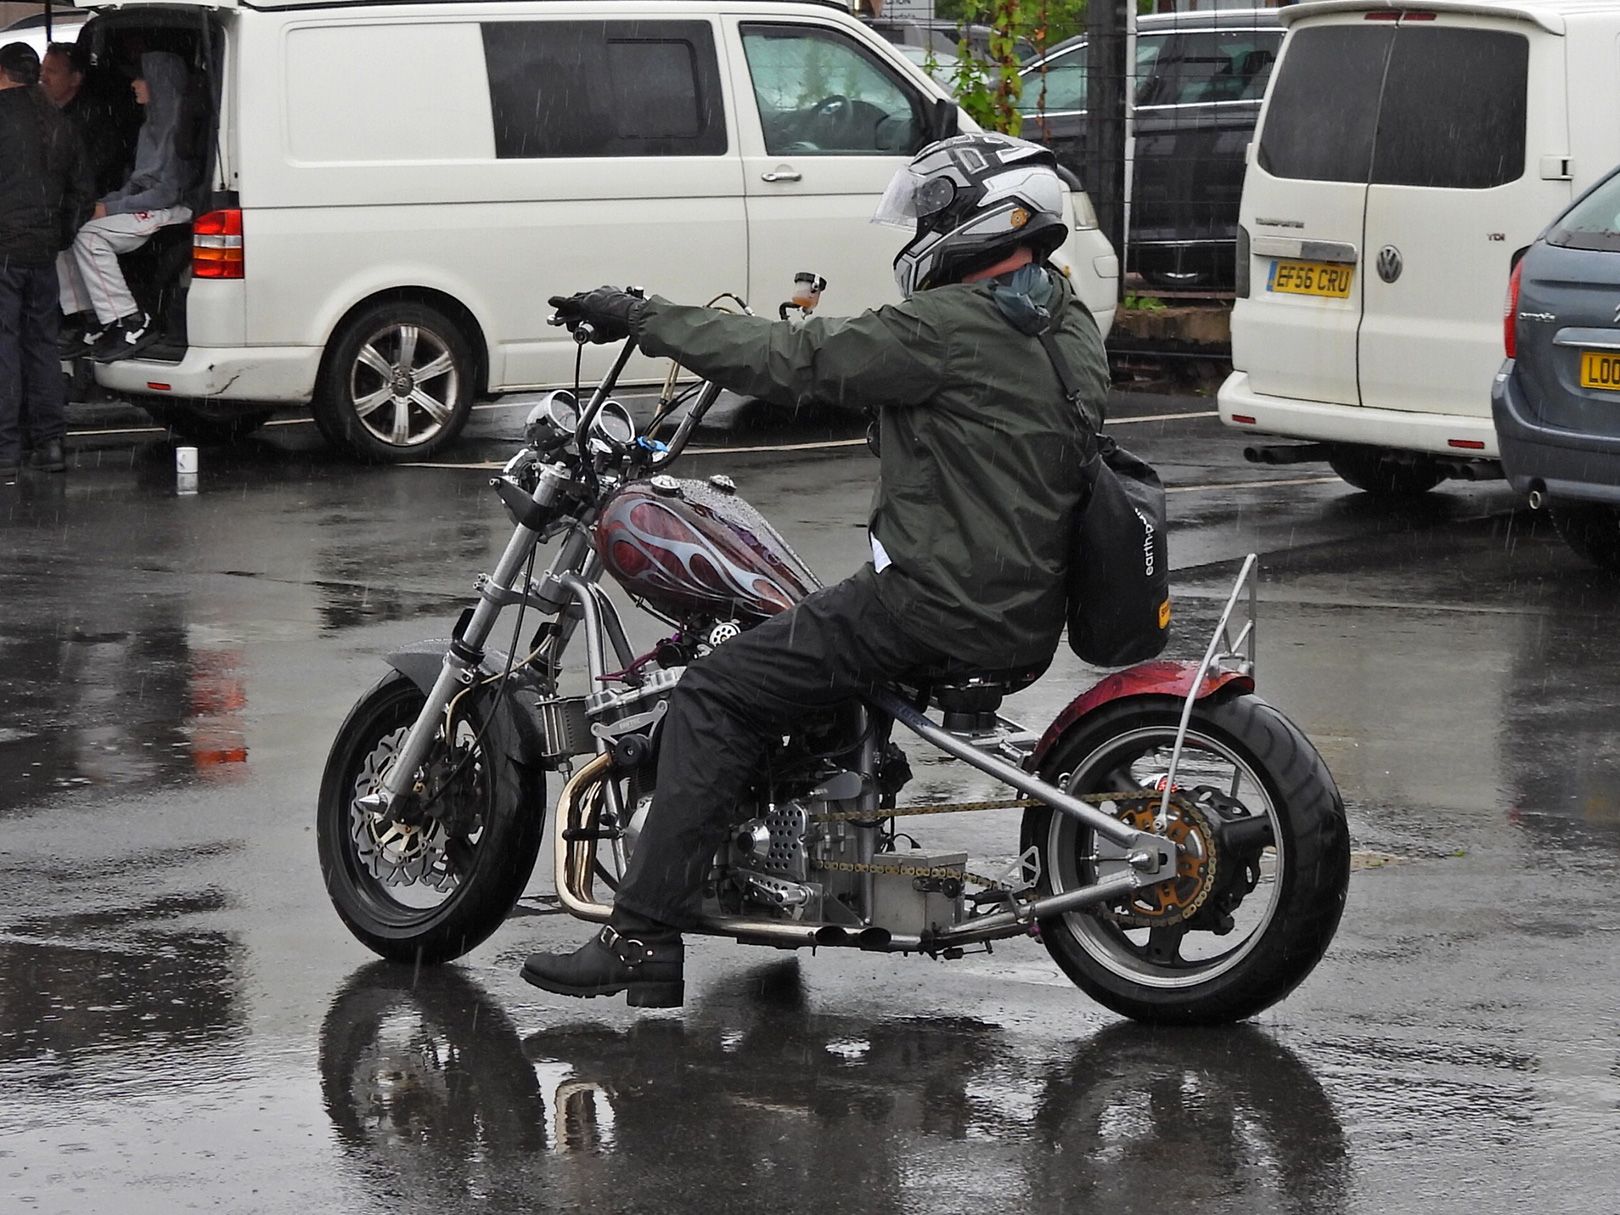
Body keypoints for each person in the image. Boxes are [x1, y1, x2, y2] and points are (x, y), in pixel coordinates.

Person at [522, 132, 1110, 1008]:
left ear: (985, 220)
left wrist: (644, 316)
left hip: (934, 604)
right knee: (797, 642)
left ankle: (640, 934)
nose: (922, 234)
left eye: (935, 215)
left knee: (716, 688)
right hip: (1022, 606)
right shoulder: (1063, 320)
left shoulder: (948, 328)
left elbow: (793, 360)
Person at [58, 50, 194, 363]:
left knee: (91, 237)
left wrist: (111, 210)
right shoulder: (149, 127)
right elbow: (136, 183)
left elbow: (167, 193)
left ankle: (131, 319)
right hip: (147, 203)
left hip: (173, 208)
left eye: (142, 77)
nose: (134, 84)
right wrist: (100, 204)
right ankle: (94, 318)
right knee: (67, 230)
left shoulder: (180, 130)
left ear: (160, 82)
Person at [0, 42, 91, 478]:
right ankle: (50, 442)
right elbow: (82, 192)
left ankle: (6, 445)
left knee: (4, 345)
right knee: (41, 345)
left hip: (4, 248)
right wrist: (58, 236)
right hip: (42, 251)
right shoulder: (58, 121)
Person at [41, 42, 136, 197]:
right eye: (42, 70)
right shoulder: (43, 112)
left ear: (75, 78)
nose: (43, 78)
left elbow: (87, 173)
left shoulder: (94, 119)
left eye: (52, 72)